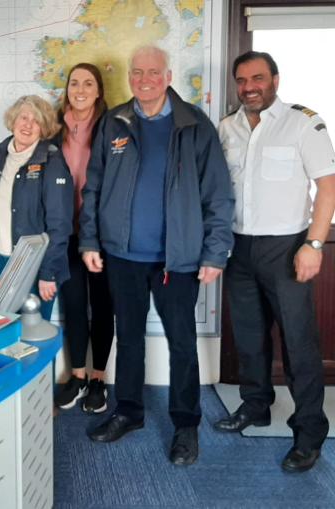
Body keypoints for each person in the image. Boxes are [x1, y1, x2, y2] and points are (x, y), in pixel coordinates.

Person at [80, 46, 233, 466]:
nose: (144, 79)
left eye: (153, 72)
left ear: (167, 76)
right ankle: (128, 411)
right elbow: (93, 187)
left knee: (181, 342)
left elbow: (218, 194)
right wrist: (90, 242)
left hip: (176, 260)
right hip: (122, 255)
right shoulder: (115, 121)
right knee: (127, 339)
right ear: (130, 77)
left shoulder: (195, 125)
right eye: (137, 72)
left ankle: (186, 424)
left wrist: (215, 254)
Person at [215, 51, 334, 473]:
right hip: (240, 248)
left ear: (275, 80)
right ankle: (256, 407)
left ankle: (308, 432)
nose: (250, 87)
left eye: (258, 78)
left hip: (287, 247)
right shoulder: (227, 127)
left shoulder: (304, 123)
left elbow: (328, 188)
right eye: (243, 80)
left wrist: (314, 245)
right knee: (249, 338)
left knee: (299, 344)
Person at [53, 63, 115, 414]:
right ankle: (76, 376)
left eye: (88, 83)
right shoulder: (54, 127)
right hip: (65, 230)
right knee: (73, 304)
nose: (80, 88)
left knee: (103, 306)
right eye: (74, 82)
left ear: (98, 90)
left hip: (103, 232)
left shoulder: (111, 126)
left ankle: (98, 379)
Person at [0, 95, 72, 318]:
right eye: (23, 117)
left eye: (36, 121)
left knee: (34, 339)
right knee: (4, 333)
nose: (28, 125)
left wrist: (48, 273)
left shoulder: (52, 161)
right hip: (1, 258)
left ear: (43, 128)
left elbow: (60, 224)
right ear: (13, 120)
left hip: (35, 264)